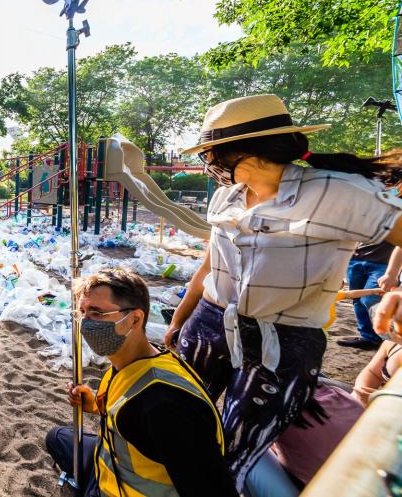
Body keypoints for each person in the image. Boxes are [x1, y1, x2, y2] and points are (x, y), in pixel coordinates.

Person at [165, 93, 402, 491]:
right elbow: (210, 264)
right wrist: (181, 317)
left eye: (212, 154)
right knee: (178, 427)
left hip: (283, 341)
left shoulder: (339, 191)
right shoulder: (228, 195)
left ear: (244, 151)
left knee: (234, 454)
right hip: (210, 325)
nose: (209, 165)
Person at [45, 268, 235, 497]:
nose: (85, 324)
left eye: (97, 313)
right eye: (82, 312)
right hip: (110, 464)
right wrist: (94, 405)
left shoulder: (166, 405)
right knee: (57, 438)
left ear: (135, 319)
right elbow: (128, 415)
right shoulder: (128, 361)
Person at [337, 242, 401, 349]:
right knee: (357, 299)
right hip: (355, 259)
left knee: (371, 299)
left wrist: (392, 273)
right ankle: (369, 338)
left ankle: (388, 340)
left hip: (385, 262)